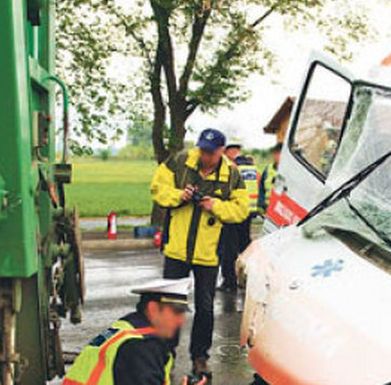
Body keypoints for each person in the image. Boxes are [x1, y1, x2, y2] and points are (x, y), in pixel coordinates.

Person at [149, 128, 249, 380]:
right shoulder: (180, 161)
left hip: (207, 253)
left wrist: (214, 205)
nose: (205, 156)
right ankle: (165, 355)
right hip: (176, 250)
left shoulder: (232, 175)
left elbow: (240, 211)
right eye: (202, 150)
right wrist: (178, 195)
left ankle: (200, 358)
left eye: (211, 152)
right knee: (171, 306)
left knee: (204, 309)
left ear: (221, 152)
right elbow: (157, 188)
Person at [63, 278, 200, 385]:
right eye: (175, 313)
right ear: (153, 309)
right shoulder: (141, 348)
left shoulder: (127, 328)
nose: (181, 321)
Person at [219, 153, 259, 292]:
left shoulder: (232, 169)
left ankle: (229, 282)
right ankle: (251, 278)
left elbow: (225, 190)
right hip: (248, 212)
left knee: (229, 249)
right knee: (245, 246)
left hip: (233, 212)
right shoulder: (253, 170)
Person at [258, 143, 282, 214]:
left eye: (279, 154)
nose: (277, 157)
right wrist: (262, 203)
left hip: (282, 210)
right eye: (276, 154)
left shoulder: (290, 171)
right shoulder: (268, 169)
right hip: (268, 208)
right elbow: (261, 188)